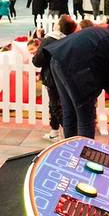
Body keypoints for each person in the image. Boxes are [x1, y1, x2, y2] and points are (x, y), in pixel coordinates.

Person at [33, 14, 77, 142]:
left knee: (55, 106)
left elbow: (37, 61)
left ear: (58, 25)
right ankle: (54, 132)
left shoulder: (50, 40)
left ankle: (71, 134)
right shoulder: (70, 39)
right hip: (66, 76)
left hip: (52, 77)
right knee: (57, 105)